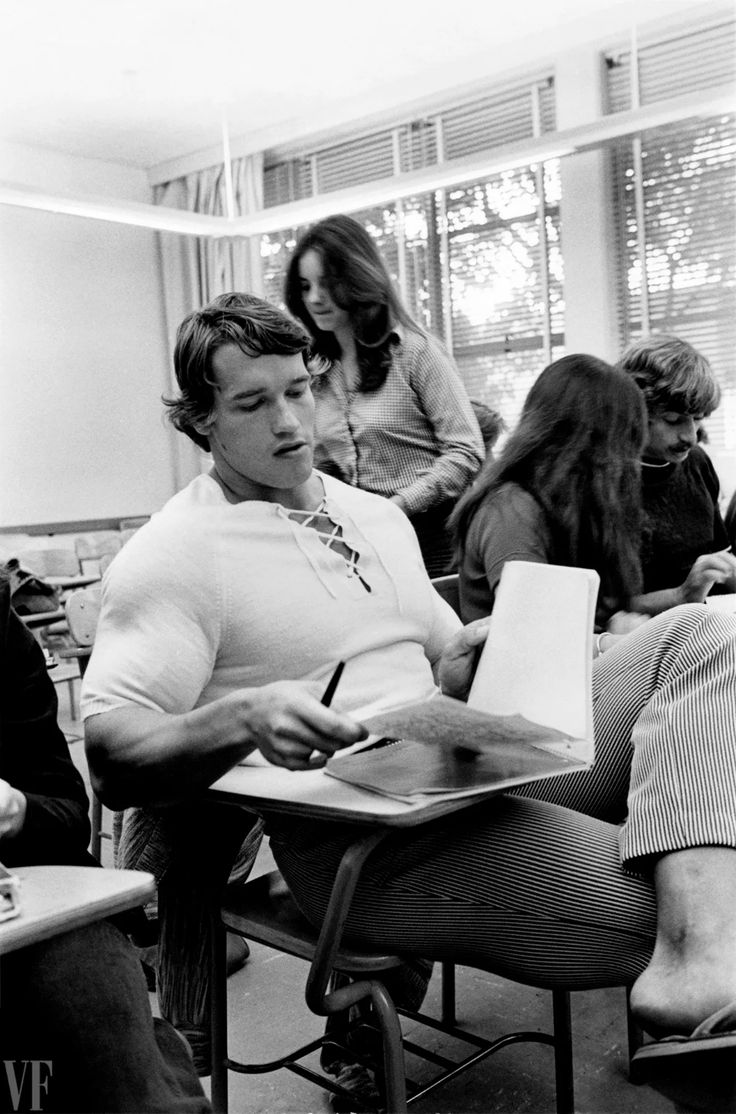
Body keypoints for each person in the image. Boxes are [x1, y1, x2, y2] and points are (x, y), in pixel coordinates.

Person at [82, 294, 736, 1110]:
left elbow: (441, 658)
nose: (291, 420)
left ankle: (698, 968)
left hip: (462, 765)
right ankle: (697, 977)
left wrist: (480, 647)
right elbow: (112, 754)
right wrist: (242, 715)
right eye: (253, 403)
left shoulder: (370, 516)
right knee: (674, 909)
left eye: (301, 389)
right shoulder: (176, 552)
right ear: (201, 422)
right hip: (359, 844)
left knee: (698, 634)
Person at [0, 572, 211, 1113]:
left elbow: (67, 812)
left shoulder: (2, 635)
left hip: (32, 907)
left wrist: (17, 809)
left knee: (114, 1068)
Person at [284, 213, 484, 576]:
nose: (315, 298)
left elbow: (466, 451)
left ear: (357, 277)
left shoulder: (416, 352)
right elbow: (330, 462)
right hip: (366, 544)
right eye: (305, 286)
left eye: (327, 283)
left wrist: (399, 505)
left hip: (434, 542)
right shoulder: (316, 370)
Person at [452, 353, 647, 630]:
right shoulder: (510, 509)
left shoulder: (572, 508)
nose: (628, 462)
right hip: (527, 668)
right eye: (622, 444)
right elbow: (532, 633)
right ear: (587, 443)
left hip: (577, 664)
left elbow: (602, 614)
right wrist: (610, 640)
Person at [617, 334, 736, 614]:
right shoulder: (602, 480)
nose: (691, 436)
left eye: (698, 419)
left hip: (711, 623)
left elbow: (720, 564)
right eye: (673, 420)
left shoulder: (696, 462)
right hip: (647, 638)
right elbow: (599, 607)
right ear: (635, 411)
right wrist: (682, 594)